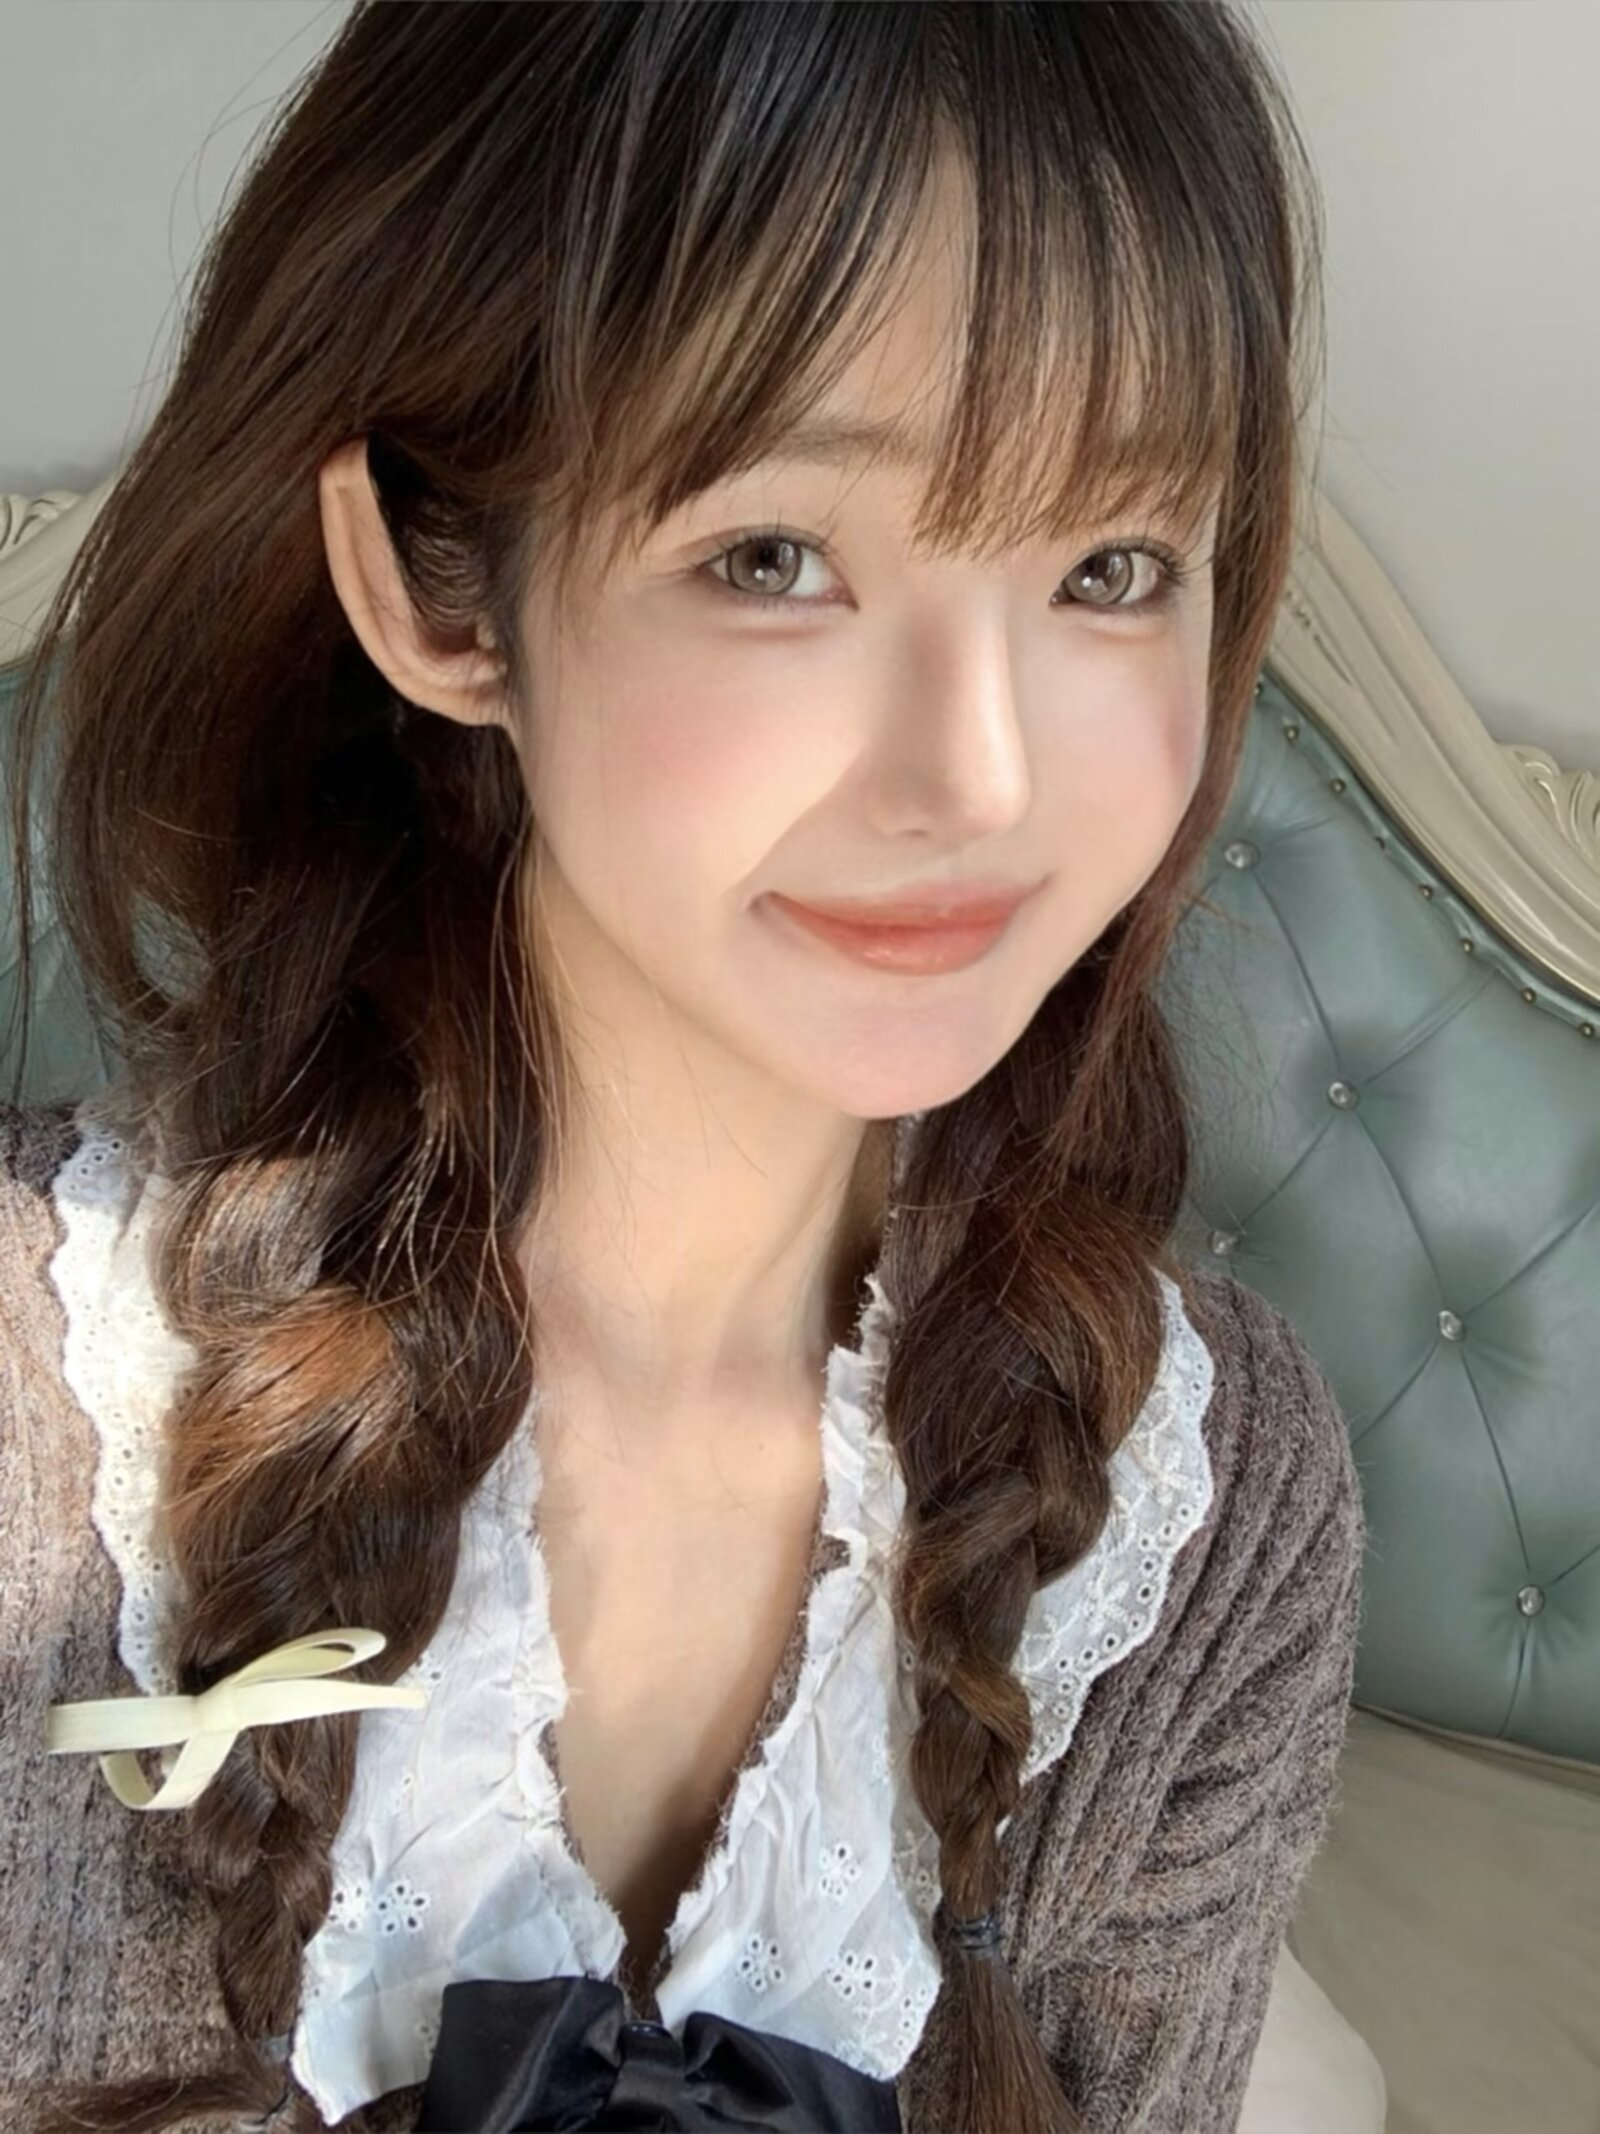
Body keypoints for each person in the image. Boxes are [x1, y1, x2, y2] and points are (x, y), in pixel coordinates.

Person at [0, 4, 1365, 2130]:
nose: (980, 776)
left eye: (1111, 568)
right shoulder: (42, 1429)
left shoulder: (1212, 1521)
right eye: (774, 557)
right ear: (436, 588)